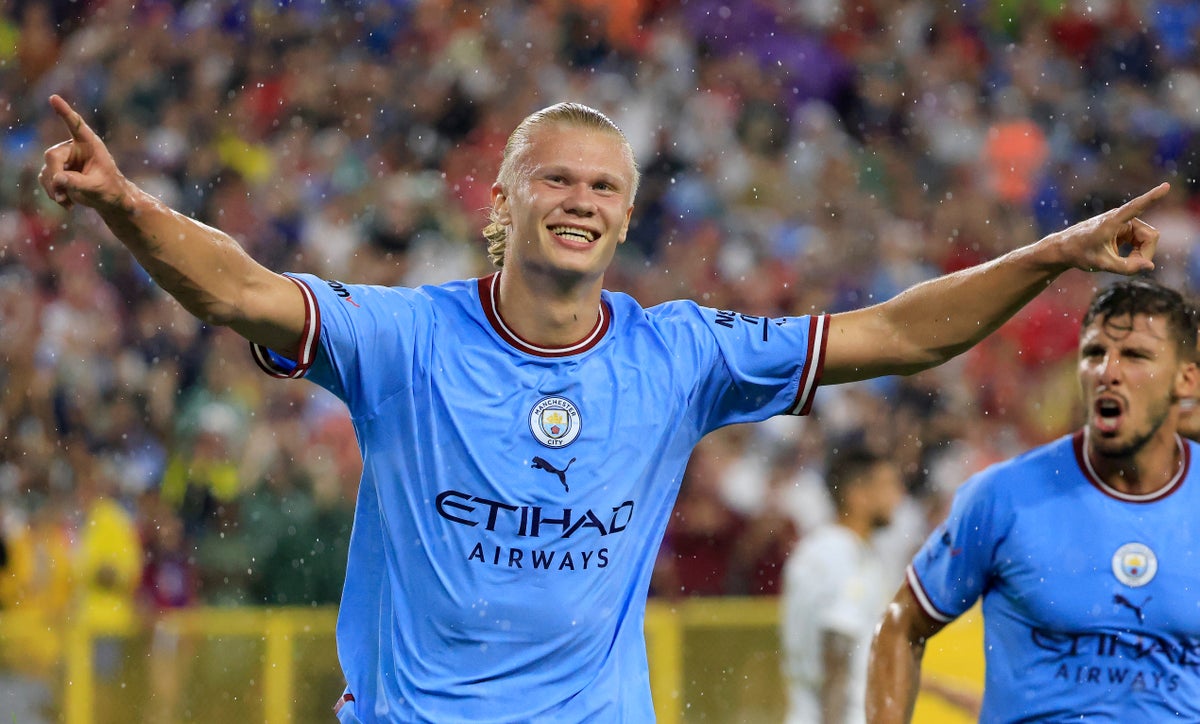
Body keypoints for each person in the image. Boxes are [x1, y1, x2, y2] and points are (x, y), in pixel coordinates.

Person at [39, 91, 1170, 722]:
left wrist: (1055, 254)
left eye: (603, 187)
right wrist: (124, 204)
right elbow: (236, 286)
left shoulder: (680, 355)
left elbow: (898, 330)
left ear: (625, 219)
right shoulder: (408, 340)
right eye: (557, 178)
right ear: (506, 199)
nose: (580, 201)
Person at [867, 278, 1200, 722]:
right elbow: (901, 625)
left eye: (1135, 355)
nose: (1108, 372)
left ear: (1186, 379)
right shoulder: (1005, 497)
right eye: (1094, 353)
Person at [780, 445, 905, 724]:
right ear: (857, 496)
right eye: (888, 485)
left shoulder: (825, 549)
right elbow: (838, 649)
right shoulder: (843, 555)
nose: (898, 497)